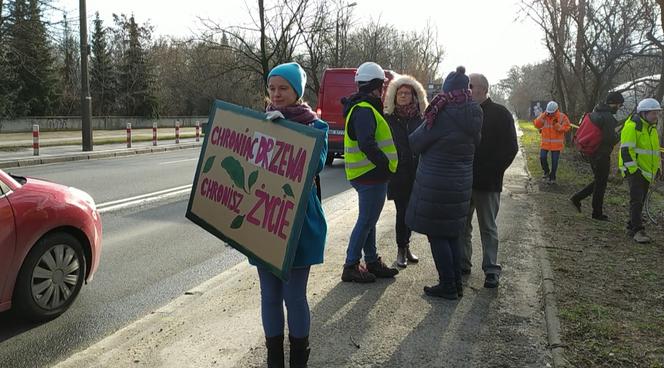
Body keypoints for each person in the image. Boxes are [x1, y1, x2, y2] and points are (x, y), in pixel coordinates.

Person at [258, 62, 328, 368]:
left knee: (294, 296)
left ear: (296, 91)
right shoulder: (260, 122)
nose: (276, 94)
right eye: (272, 88)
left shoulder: (315, 127)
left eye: (283, 88)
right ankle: (274, 360)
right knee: (269, 294)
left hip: (299, 223)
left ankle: (299, 361)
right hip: (265, 219)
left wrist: (285, 131)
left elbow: (313, 166)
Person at [406, 66, 483, 299]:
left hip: (436, 185)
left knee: (437, 234)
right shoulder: (474, 112)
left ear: (448, 91)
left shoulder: (441, 113)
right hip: (460, 184)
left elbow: (415, 142)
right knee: (452, 233)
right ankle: (456, 283)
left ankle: (448, 285)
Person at [341, 61, 400, 283]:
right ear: (378, 86)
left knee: (369, 220)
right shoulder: (365, 109)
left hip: (366, 175)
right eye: (383, 86)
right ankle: (351, 265)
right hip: (370, 175)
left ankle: (372, 260)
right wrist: (384, 164)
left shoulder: (361, 107)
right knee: (366, 220)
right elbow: (367, 143)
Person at [459, 73, 518, 289]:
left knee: (488, 228)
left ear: (483, 89)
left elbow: (511, 148)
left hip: (488, 183)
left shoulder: (500, 113)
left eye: (471, 86)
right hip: (464, 181)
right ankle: (463, 264)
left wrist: (493, 171)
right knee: (462, 226)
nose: (467, 89)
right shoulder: (463, 111)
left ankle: (491, 269)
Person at [383, 75, 429, 268]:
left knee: (412, 212)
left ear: (414, 96)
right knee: (402, 212)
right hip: (398, 172)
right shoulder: (389, 119)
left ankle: (407, 246)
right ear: (394, 96)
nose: (403, 96)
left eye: (407, 93)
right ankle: (401, 250)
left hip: (418, 172)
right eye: (400, 93)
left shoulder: (421, 118)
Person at [570, 92, 625, 221]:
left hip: (592, 152)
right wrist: (620, 135)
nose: (619, 108)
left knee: (599, 180)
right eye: (620, 105)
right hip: (602, 154)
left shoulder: (595, 112)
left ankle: (578, 198)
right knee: (601, 183)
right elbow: (610, 139)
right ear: (615, 104)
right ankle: (596, 213)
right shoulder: (609, 118)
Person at [618, 97, 662, 244]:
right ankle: (638, 230)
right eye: (653, 113)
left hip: (646, 171)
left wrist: (658, 168)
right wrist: (633, 170)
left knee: (640, 200)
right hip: (635, 170)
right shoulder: (632, 127)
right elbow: (625, 151)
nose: (656, 116)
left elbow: (654, 152)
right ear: (644, 113)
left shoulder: (652, 129)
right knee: (636, 201)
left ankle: (631, 226)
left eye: (657, 113)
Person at [533, 101, 571, 184]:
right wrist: (543, 116)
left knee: (555, 161)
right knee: (542, 157)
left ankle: (552, 177)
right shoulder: (544, 116)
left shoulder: (562, 117)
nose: (550, 114)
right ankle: (546, 171)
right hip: (545, 143)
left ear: (556, 110)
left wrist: (557, 126)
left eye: (551, 113)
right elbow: (536, 125)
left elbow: (567, 127)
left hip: (556, 144)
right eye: (548, 112)